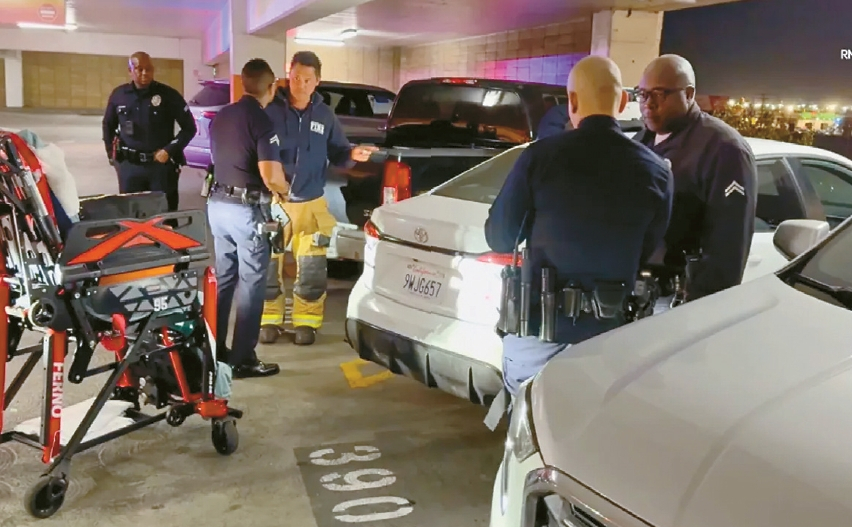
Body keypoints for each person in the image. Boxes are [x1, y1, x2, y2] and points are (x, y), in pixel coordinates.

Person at [482, 55, 673, 430]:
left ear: (571, 101)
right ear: (623, 102)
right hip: (610, 341)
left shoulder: (540, 157)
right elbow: (648, 248)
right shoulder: (657, 171)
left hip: (539, 334)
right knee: (593, 441)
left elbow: (499, 236)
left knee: (531, 439)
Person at [260, 51, 377, 346]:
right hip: (273, 203)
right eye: (295, 78)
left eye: (307, 80)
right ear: (288, 76)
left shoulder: (324, 116)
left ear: (317, 82)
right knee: (267, 266)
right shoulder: (269, 110)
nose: (300, 84)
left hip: (311, 203)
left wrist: (352, 154)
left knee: (312, 268)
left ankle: (306, 322)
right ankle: (268, 319)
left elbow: (339, 152)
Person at [632, 54, 758, 310]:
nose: (648, 104)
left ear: (689, 94)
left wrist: (699, 310)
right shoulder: (641, 142)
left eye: (659, 94)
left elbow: (728, 248)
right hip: (637, 296)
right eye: (642, 94)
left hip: (680, 303)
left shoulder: (723, 149)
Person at [207, 58, 290, 379]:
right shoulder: (261, 120)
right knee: (252, 283)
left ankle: (212, 350)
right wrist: (286, 191)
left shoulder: (222, 116)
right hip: (246, 211)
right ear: (272, 86)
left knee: (225, 279)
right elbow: (271, 176)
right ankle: (243, 358)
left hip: (218, 206)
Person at [102, 51, 196, 211]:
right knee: (131, 214)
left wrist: (169, 150)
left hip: (160, 167)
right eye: (139, 69)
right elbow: (108, 126)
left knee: (165, 215)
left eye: (149, 69)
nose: (145, 73)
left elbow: (189, 128)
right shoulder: (119, 95)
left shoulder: (169, 95)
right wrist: (113, 156)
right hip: (130, 167)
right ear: (130, 70)